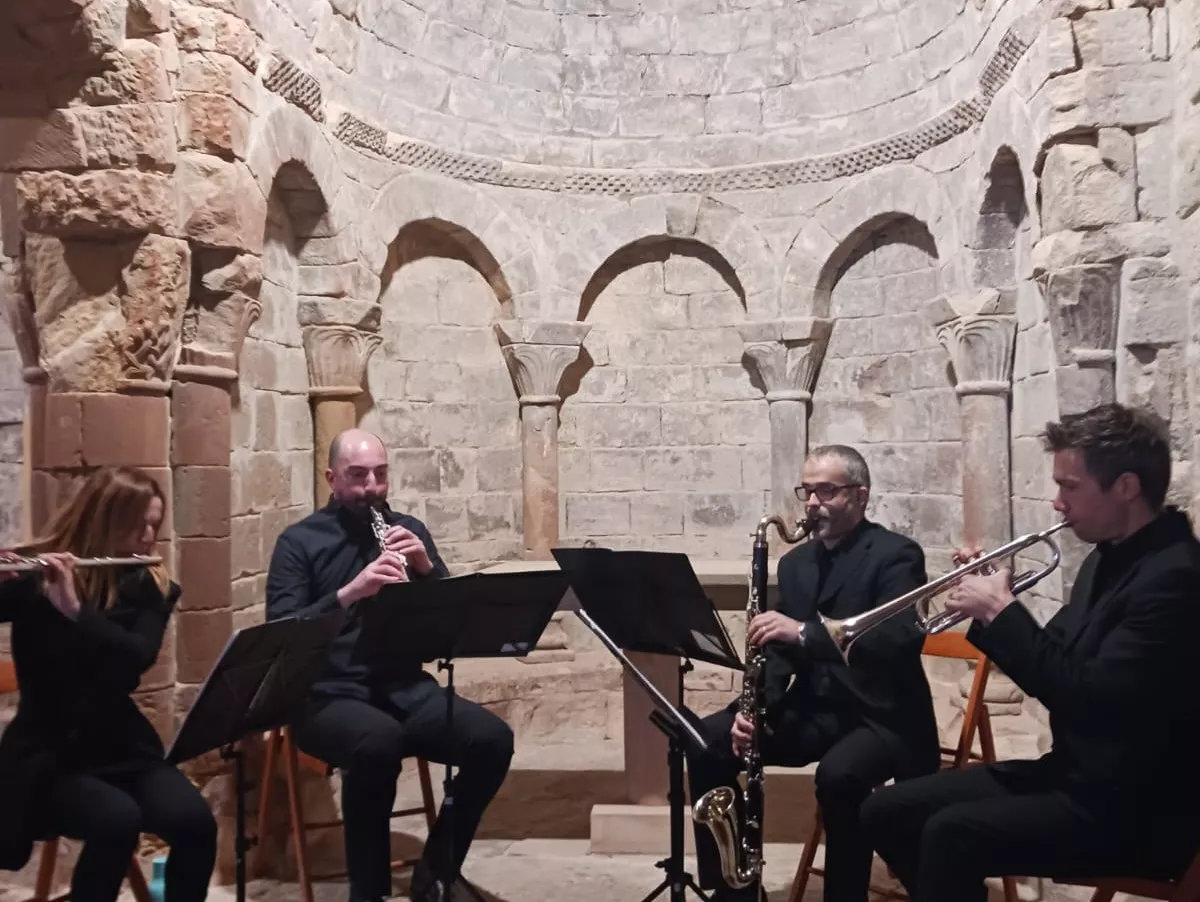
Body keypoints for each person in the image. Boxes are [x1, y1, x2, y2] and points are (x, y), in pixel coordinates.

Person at [860, 403, 1200, 902]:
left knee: (949, 835)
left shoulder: (1174, 577)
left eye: (1070, 486)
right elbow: (1054, 658)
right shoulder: (1108, 558)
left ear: (1126, 487)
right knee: (883, 812)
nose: (1057, 502)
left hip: (1135, 808)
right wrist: (993, 606)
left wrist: (1001, 614)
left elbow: (1088, 699)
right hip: (1078, 778)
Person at [266, 428, 514, 902]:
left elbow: (448, 620)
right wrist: (350, 593)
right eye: (358, 477)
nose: (372, 489)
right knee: (378, 744)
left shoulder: (407, 530)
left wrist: (424, 569)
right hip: (326, 694)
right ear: (331, 478)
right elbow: (282, 630)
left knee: (491, 741)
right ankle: (368, 891)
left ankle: (436, 874)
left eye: (380, 475)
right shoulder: (299, 542)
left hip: (402, 686)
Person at [685, 445, 940, 902]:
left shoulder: (896, 556)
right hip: (815, 710)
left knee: (840, 777)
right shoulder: (796, 563)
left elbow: (896, 643)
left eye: (827, 490)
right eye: (808, 490)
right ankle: (734, 888)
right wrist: (753, 709)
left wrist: (803, 633)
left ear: (860, 497)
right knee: (707, 741)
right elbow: (777, 654)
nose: (813, 503)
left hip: (880, 716)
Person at [0, 466, 216, 902]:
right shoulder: (35, 579)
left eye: (155, 524)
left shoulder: (149, 586)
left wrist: (77, 611)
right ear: (105, 518)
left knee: (195, 823)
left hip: (121, 746)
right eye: (140, 524)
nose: (149, 536)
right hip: (49, 753)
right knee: (116, 820)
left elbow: (135, 658)